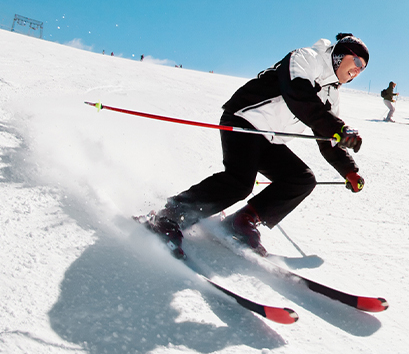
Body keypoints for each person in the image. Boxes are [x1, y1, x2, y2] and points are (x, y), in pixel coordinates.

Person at [140, 33, 370, 258]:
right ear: (341, 55)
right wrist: (338, 128)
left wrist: (349, 170)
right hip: (245, 120)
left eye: (362, 69)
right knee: (240, 181)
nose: (357, 71)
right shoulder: (308, 58)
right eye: (357, 62)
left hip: (269, 138)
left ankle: (243, 220)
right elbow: (297, 94)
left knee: (301, 179)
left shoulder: (332, 93)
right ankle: (170, 215)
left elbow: (327, 136)